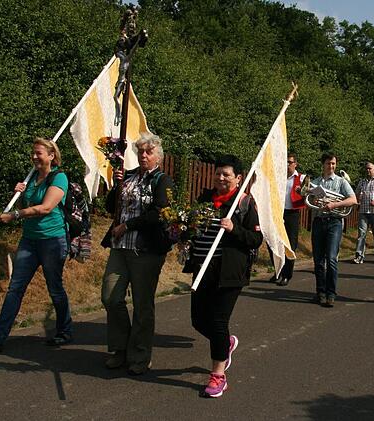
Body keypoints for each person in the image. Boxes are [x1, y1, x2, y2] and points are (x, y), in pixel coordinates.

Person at [0, 138, 73, 352]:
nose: (35, 157)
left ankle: (64, 331)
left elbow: (46, 208)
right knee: (15, 288)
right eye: (33, 153)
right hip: (29, 240)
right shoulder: (32, 179)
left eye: (39, 153)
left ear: (51, 156)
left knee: (55, 288)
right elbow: (27, 206)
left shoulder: (59, 178)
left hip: (52, 240)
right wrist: (19, 193)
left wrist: (15, 214)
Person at [185, 155, 263, 398]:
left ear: (238, 178)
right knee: (198, 320)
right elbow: (195, 227)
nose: (220, 178)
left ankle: (218, 376)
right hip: (202, 269)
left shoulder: (244, 203)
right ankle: (225, 343)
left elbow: (255, 239)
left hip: (228, 273)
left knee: (218, 321)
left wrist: (233, 229)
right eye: (218, 173)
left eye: (226, 174)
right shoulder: (205, 199)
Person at [99, 134, 174, 375]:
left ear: (158, 157)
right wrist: (115, 186)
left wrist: (128, 226)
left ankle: (140, 355)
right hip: (120, 248)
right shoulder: (128, 175)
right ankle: (120, 348)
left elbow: (159, 212)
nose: (143, 155)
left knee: (142, 304)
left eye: (148, 152)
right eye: (141, 151)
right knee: (111, 297)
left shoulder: (163, 181)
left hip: (146, 250)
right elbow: (111, 207)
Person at [309, 153, 358, 307]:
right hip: (318, 222)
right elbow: (310, 202)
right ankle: (320, 292)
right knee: (318, 260)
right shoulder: (315, 183)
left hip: (334, 222)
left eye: (333, 164)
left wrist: (335, 205)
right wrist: (314, 199)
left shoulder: (341, 181)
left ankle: (331, 293)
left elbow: (353, 199)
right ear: (323, 164)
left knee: (331, 259)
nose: (331, 166)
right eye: (329, 163)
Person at [271, 152, 306, 286]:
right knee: (275, 243)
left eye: (290, 162)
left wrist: (302, 192)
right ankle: (278, 271)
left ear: (295, 164)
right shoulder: (279, 177)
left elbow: (308, 195)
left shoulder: (301, 178)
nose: (287, 165)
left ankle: (287, 275)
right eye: (285, 162)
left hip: (292, 214)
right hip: (278, 213)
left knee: (290, 245)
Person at [353, 161, 374, 264]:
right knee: (361, 234)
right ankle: (359, 255)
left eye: (370, 168)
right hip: (363, 211)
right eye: (367, 169)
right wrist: (358, 197)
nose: (368, 170)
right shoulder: (362, 181)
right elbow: (356, 193)